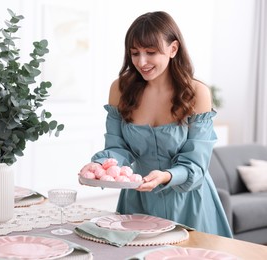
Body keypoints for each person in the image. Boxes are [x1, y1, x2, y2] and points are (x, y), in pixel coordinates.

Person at [79, 11, 233, 238]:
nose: (141, 62)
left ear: (173, 49)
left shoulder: (197, 93)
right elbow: (117, 148)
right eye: (134, 53)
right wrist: (99, 166)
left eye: (151, 52)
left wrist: (166, 176)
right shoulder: (120, 89)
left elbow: (196, 165)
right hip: (138, 200)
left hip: (189, 202)